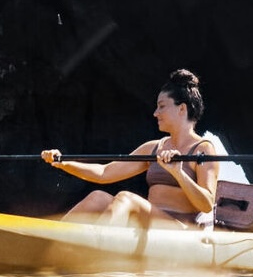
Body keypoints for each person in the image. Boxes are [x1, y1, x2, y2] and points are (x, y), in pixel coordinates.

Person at [41, 68, 219, 229]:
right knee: (98, 197)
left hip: (181, 232)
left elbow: (206, 204)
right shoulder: (153, 148)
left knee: (127, 199)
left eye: (162, 106)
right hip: (149, 225)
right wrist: (63, 162)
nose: (155, 113)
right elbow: (104, 172)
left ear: (181, 109)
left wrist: (179, 173)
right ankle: (51, 241)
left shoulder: (202, 150)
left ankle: (98, 244)